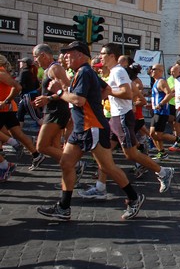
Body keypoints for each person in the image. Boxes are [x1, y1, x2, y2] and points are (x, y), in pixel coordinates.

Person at [36, 41, 145, 220]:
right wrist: (55, 96)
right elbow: (106, 89)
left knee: (107, 167)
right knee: (66, 163)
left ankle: (134, 198)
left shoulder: (86, 72)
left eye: (69, 54)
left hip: (92, 127)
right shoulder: (84, 72)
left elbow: (79, 101)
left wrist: (61, 93)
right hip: (82, 128)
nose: (65, 57)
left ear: (80, 55)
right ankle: (64, 207)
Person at [77, 43, 174, 199]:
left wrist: (109, 91)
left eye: (103, 53)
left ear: (111, 56)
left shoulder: (118, 71)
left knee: (131, 154)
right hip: (115, 117)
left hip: (122, 116)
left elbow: (127, 93)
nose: (100, 56)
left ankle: (163, 171)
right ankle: (100, 187)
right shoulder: (113, 72)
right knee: (104, 153)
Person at [30, 44, 75, 173]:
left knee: (41, 146)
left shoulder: (55, 69)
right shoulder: (47, 69)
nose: (35, 60)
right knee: (55, 147)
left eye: (35, 57)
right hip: (51, 110)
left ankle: (76, 166)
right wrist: (42, 99)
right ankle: (70, 172)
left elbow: (67, 90)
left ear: (43, 55)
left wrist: (48, 99)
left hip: (57, 111)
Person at [0, 55, 42, 165]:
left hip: (5, 108)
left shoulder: (1, 73)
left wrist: (7, 101)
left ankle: (5, 163)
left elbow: (17, 87)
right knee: (17, 134)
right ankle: (36, 154)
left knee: (15, 133)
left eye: (22, 62)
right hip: (9, 108)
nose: (21, 63)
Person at [149, 64, 177, 161]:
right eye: (151, 69)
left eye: (153, 69)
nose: (151, 71)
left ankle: (178, 139)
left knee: (158, 135)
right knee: (152, 134)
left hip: (162, 111)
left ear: (160, 71)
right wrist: (151, 105)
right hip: (156, 111)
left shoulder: (161, 81)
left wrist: (160, 104)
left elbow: (169, 94)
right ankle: (162, 152)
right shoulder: (156, 81)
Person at [16, 57, 42, 127]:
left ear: (25, 64)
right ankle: (18, 134)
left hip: (28, 96)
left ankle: (49, 130)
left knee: (36, 117)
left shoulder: (24, 72)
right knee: (20, 114)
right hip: (31, 95)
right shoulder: (32, 72)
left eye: (21, 62)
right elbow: (37, 85)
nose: (20, 63)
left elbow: (20, 85)